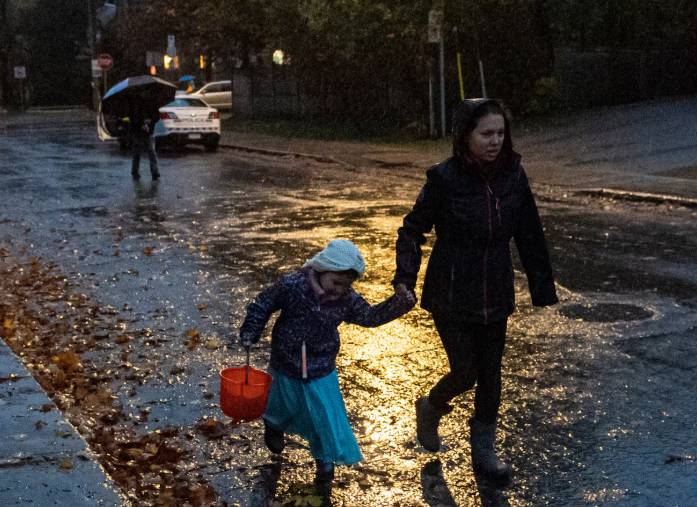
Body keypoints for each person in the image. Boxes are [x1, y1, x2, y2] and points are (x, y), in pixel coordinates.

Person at [392, 98, 558, 483]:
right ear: (465, 136)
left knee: (492, 374)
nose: (495, 141)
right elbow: (411, 230)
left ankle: (484, 452)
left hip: (496, 289)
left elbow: (529, 233)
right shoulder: (444, 180)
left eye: (500, 133)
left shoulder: (514, 176)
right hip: (451, 291)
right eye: (486, 133)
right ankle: (431, 407)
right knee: (465, 371)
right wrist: (405, 277)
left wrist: (542, 288)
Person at [238, 239, 416, 495]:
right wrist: (250, 331)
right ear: (322, 271)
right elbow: (263, 304)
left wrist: (399, 303)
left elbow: (370, 316)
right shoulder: (292, 286)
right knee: (283, 404)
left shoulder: (347, 299)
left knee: (324, 415)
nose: (340, 290)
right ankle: (274, 424)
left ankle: (325, 460)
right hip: (286, 360)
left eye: (346, 286)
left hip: (321, 366)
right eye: (336, 283)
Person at [128, 105, 160, 180]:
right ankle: (135, 171)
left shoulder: (152, 103)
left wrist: (150, 120)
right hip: (137, 131)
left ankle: (154, 171)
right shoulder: (134, 103)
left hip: (148, 132)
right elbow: (131, 117)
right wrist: (141, 124)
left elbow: (157, 116)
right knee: (137, 151)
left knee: (151, 151)